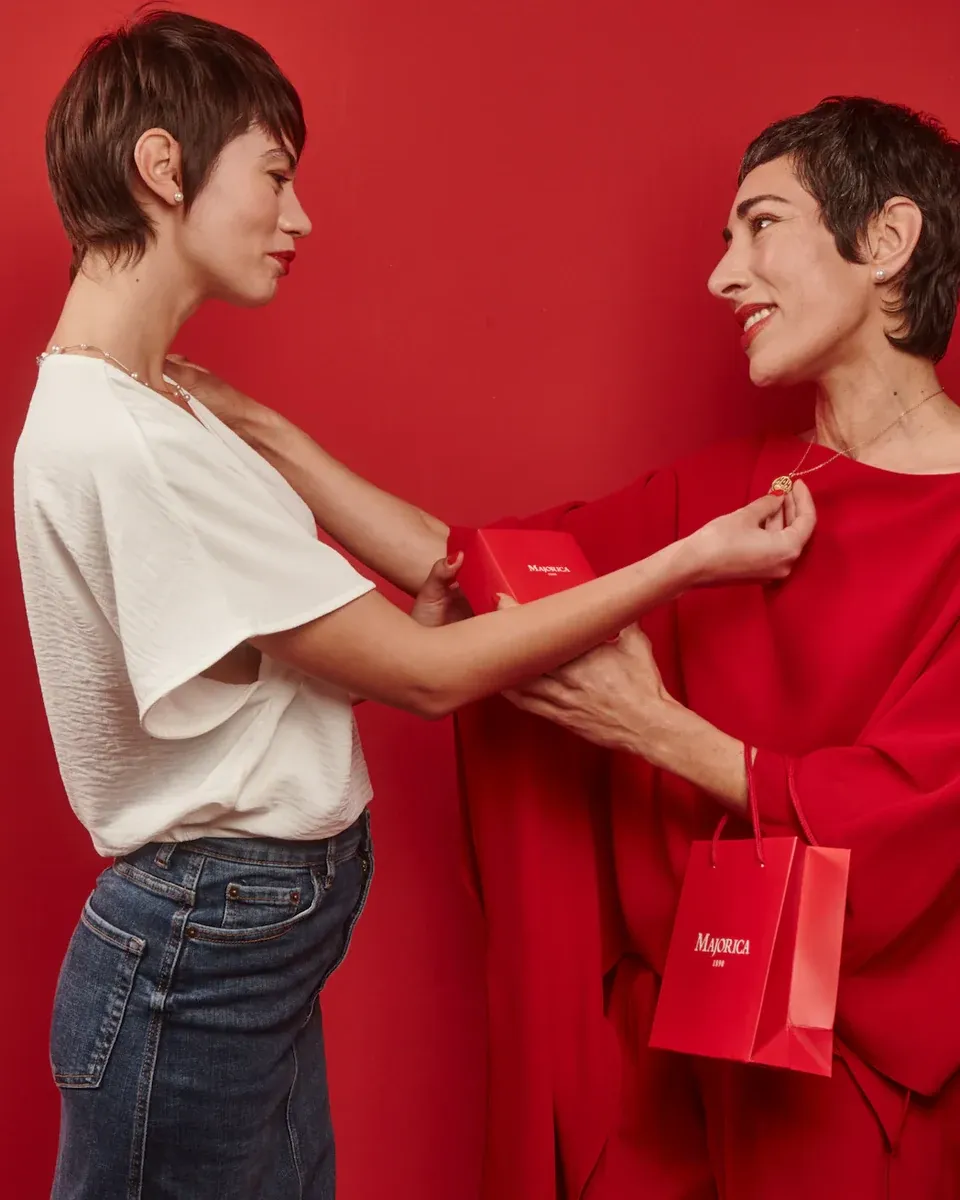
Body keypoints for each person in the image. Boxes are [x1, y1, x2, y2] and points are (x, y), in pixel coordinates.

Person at [13, 11, 808, 1200]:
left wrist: (293, 460)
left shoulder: (160, 412)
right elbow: (426, 676)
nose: (301, 218)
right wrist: (689, 561)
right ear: (164, 169)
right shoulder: (130, 439)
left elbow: (376, 619)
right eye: (275, 176)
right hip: (202, 951)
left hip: (240, 947)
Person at [172, 96, 960, 1198]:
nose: (723, 277)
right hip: (678, 1064)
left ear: (886, 241)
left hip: (851, 1091)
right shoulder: (722, 495)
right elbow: (480, 572)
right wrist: (261, 433)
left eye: (759, 226)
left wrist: (654, 728)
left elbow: (916, 820)